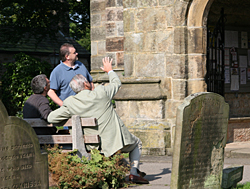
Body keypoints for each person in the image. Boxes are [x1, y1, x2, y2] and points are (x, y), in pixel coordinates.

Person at [47, 57, 149, 184]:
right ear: (85, 84)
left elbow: (51, 118)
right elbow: (116, 83)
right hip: (113, 142)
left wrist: (67, 118)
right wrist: (109, 70)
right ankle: (133, 173)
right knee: (137, 143)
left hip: (91, 145)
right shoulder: (101, 93)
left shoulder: (71, 103)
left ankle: (123, 171)